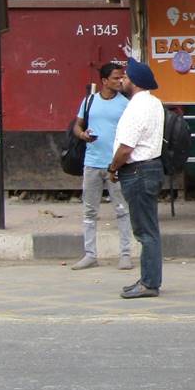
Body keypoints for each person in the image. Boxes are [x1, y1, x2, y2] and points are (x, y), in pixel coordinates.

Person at [69, 62, 136, 272]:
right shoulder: (89, 101)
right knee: (89, 211)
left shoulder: (126, 104)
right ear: (104, 81)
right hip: (91, 163)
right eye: (116, 78)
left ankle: (125, 255)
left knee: (122, 210)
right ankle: (90, 255)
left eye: (121, 77)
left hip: (115, 165)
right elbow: (77, 125)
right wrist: (83, 135)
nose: (120, 81)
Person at [108, 59, 165, 299]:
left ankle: (149, 283)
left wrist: (112, 168)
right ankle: (147, 279)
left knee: (145, 231)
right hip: (150, 169)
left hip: (138, 172)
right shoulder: (154, 103)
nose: (122, 80)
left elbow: (125, 148)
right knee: (148, 228)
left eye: (126, 77)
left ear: (135, 82)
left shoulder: (136, 108)